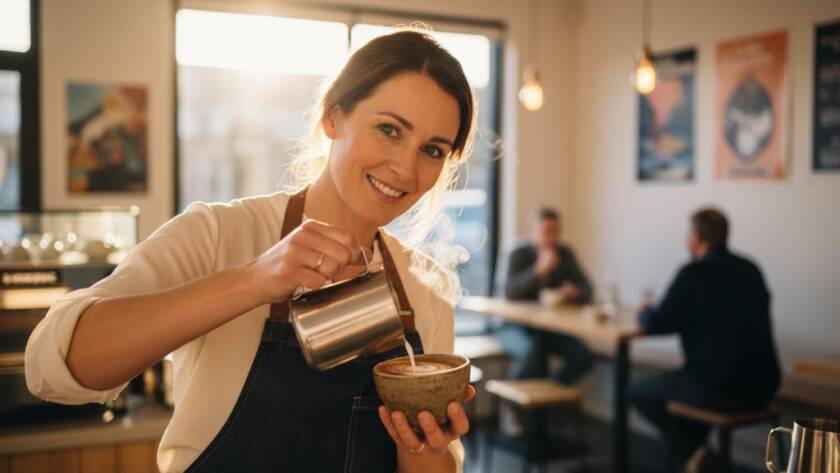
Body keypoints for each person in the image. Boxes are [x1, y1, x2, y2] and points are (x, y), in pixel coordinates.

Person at [26, 30, 478, 473]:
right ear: (333, 117)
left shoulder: (424, 288)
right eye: (389, 129)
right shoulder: (219, 234)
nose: (404, 168)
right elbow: (52, 366)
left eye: (432, 150)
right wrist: (255, 279)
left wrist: (425, 447)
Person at [629, 208, 781, 472]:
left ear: (697, 237)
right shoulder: (751, 269)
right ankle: (697, 456)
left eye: (688, 235)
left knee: (636, 390)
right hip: (763, 386)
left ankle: (694, 450)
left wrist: (643, 313)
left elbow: (658, 324)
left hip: (718, 388)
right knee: (688, 385)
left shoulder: (694, 273)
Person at [496, 208, 594, 385]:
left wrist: (575, 293)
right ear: (533, 232)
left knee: (583, 356)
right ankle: (513, 404)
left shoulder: (564, 254)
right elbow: (509, 292)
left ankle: (550, 393)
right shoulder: (519, 254)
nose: (551, 237)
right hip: (512, 326)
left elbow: (587, 289)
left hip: (548, 328)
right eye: (546, 231)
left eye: (555, 232)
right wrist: (538, 271)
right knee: (533, 352)